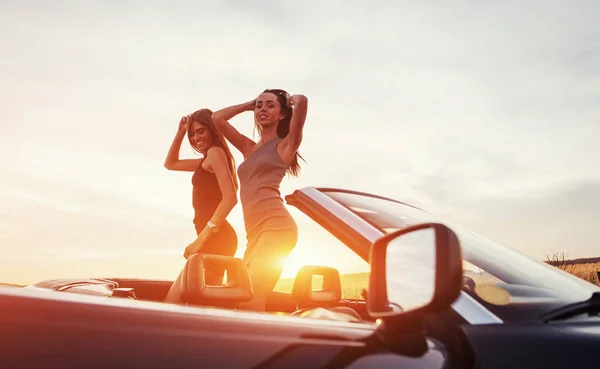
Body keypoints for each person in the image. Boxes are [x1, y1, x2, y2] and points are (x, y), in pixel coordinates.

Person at [212, 89, 308, 311]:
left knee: (251, 296)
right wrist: (248, 104)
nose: (262, 109)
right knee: (237, 296)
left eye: (270, 105)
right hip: (254, 234)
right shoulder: (249, 148)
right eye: (259, 105)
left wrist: (289, 100)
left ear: (282, 114)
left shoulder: (285, 146)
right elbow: (217, 118)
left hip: (277, 227)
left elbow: (302, 101)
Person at [163, 109, 239, 303]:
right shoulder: (205, 161)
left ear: (213, 130)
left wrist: (201, 240)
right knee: (187, 304)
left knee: (176, 303)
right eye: (192, 133)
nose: (196, 137)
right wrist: (180, 133)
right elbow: (170, 164)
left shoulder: (215, 153)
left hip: (216, 238)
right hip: (211, 238)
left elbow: (230, 198)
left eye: (201, 131)